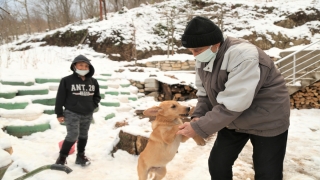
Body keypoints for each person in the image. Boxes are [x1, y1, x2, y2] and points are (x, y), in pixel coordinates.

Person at [177, 16, 290, 180]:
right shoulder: (204, 58)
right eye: (191, 51)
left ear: (216, 43)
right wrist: (198, 117)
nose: (194, 56)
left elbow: (234, 103)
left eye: (198, 50)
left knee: (267, 172)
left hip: (267, 118)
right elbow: (204, 94)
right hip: (234, 119)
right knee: (218, 164)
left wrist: (199, 127)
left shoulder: (243, 55)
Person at [55, 54, 101, 166]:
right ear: (74, 66)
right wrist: (59, 113)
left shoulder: (93, 82)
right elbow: (60, 98)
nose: (84, 68)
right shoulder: (66, 80)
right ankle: (62, 158)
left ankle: (80, 156)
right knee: (72, 135)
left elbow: (97, 96)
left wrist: (92, 106)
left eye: (86, 66)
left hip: (87, 113)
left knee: (83, 135)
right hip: (72, 112)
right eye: (81, 65)